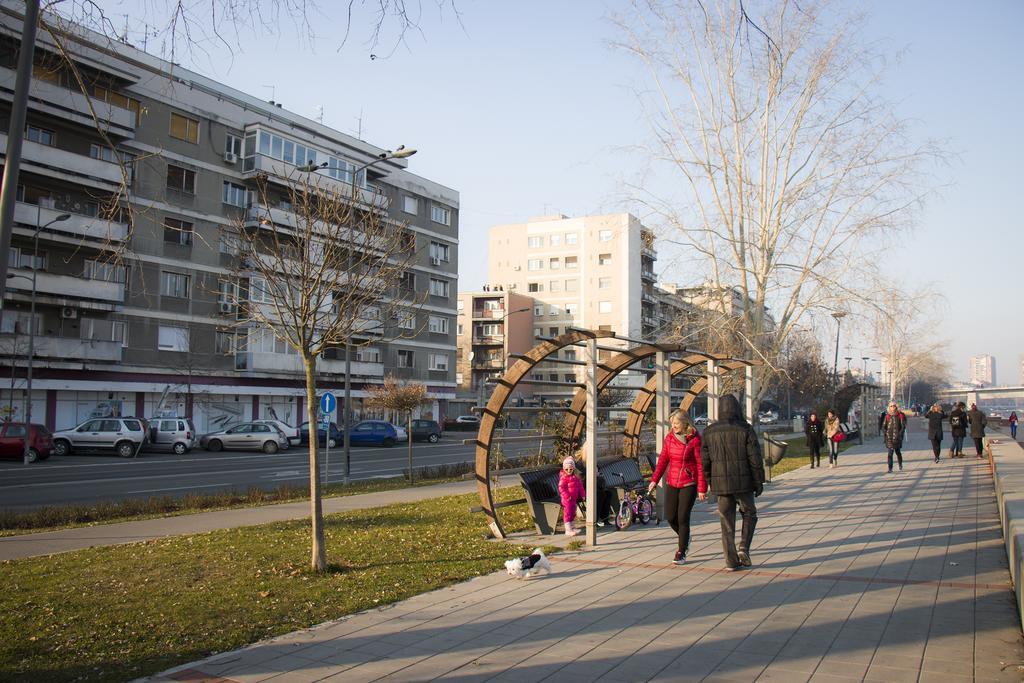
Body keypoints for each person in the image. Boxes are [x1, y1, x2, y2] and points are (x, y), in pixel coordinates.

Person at [702, 394, 765, 571]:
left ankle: (730, 560)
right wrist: (758, 481)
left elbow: (704, 461)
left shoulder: (709, 432)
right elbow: (755, 458)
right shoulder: (746, 429)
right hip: (744, 482)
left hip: (721, 485)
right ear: (737, 409)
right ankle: (744, 547)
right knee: (749, 513)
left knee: (726, 521)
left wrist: (710, 481)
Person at [648, 411, 707, 565]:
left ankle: (681, 550)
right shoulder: (669, 438)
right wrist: (655, 479)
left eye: (676, 423)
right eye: (672, 423)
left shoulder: (694, 440)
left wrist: (702, 488)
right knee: (670, 516)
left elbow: (700, 465)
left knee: (682, 516)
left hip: (689, 482)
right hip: (672, 481)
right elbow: (663, 460)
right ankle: (685, 536)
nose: (673, 426)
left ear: (685, 423)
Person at [558, 456, 585, 537]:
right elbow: (561, 488)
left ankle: (572, 527)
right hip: (567, 499)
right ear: (564, 469)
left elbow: (580, 487)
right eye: (566, 469)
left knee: (573, 512)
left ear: (573, 469)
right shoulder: (564, 478)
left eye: (571, 469)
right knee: (568, 513)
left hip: (573, 498)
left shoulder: (575, 477)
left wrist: (583, 495)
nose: (569, 471)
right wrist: (567, 496)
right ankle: (568, 530)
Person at [882, 401, 906, 473]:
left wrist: (900, 434)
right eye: (891, 406)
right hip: (889, 438)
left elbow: (903, 426)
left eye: (894, 406)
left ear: (896, 407)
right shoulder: (887, 416)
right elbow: (884, 426)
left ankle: (900, 464)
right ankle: (890, 468)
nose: (892, 407)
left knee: (898, 452)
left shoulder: (900, 415)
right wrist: (885, 433)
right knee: (890, 453)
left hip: (897, 438)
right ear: (889, 407)